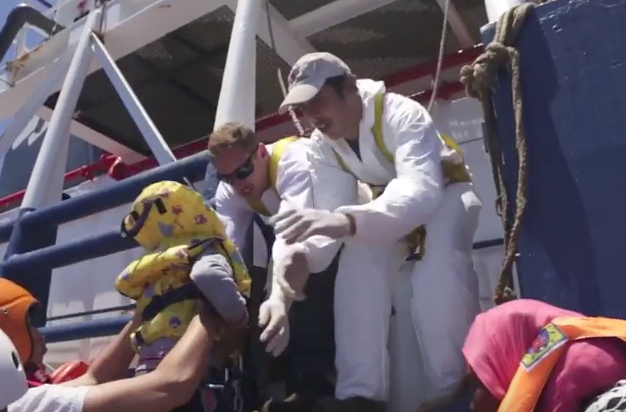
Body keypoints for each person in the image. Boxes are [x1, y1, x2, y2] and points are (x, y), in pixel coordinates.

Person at [271, 52, 483, 405]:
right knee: (356, 268)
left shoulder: (401, 112)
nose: (311, 116)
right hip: (384, 206)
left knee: (437, 270)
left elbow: (420, 190)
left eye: (317, 101)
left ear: (348, 87)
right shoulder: (323, 148)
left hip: (446, 193)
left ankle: (458, 390)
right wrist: (295, 269)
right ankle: (359, 398)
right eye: (303, 109)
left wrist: (348, 221)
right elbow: (326, 219)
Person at [210, 122, 391, 411]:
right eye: (227, 177)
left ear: (261, 152)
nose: (238, 184)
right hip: (306, 236)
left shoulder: (292, 159)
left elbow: (292, 230)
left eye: (243, 171)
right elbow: (231, 249)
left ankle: (330, 389)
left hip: (350, 226)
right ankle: (292, 388)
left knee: (305, 283)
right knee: (266, 290)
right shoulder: (230, 190)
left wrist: (279, 296)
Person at [0, 275, 225, 412]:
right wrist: (210, 311)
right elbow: (171, 386)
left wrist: (141, 317)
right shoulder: (25, 405)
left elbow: (95, 378)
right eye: (29, 324)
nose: (40, 334)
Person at [116, 180, 251, 377]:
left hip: (148, 359)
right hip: (189, 360)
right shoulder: (202, 248)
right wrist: (240, 319)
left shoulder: (155, 261)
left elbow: (133, 293)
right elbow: (208, 275)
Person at [421, 299, 626, 412]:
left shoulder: (573, 372)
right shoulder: (593, 346)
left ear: (507, 352)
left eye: (481, 382)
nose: (472, 405)